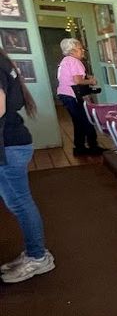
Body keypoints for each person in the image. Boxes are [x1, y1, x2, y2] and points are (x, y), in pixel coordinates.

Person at [0, 49, 55, 284]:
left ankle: (38, 257)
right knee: (17, 202)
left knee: (20, 203)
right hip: (11, 144)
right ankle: (35, 252)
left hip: (9, 145)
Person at [56, 37, 103, 156]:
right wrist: (91, 81)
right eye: (80, 49)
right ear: (72, 51)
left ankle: (80, 148)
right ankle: (93, 147)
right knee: (86, 120)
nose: (82, 51)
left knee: (78, 122)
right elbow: (77, 80)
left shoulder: (65, 61)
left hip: (64, 94)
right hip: (73, 95)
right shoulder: (75, 61)